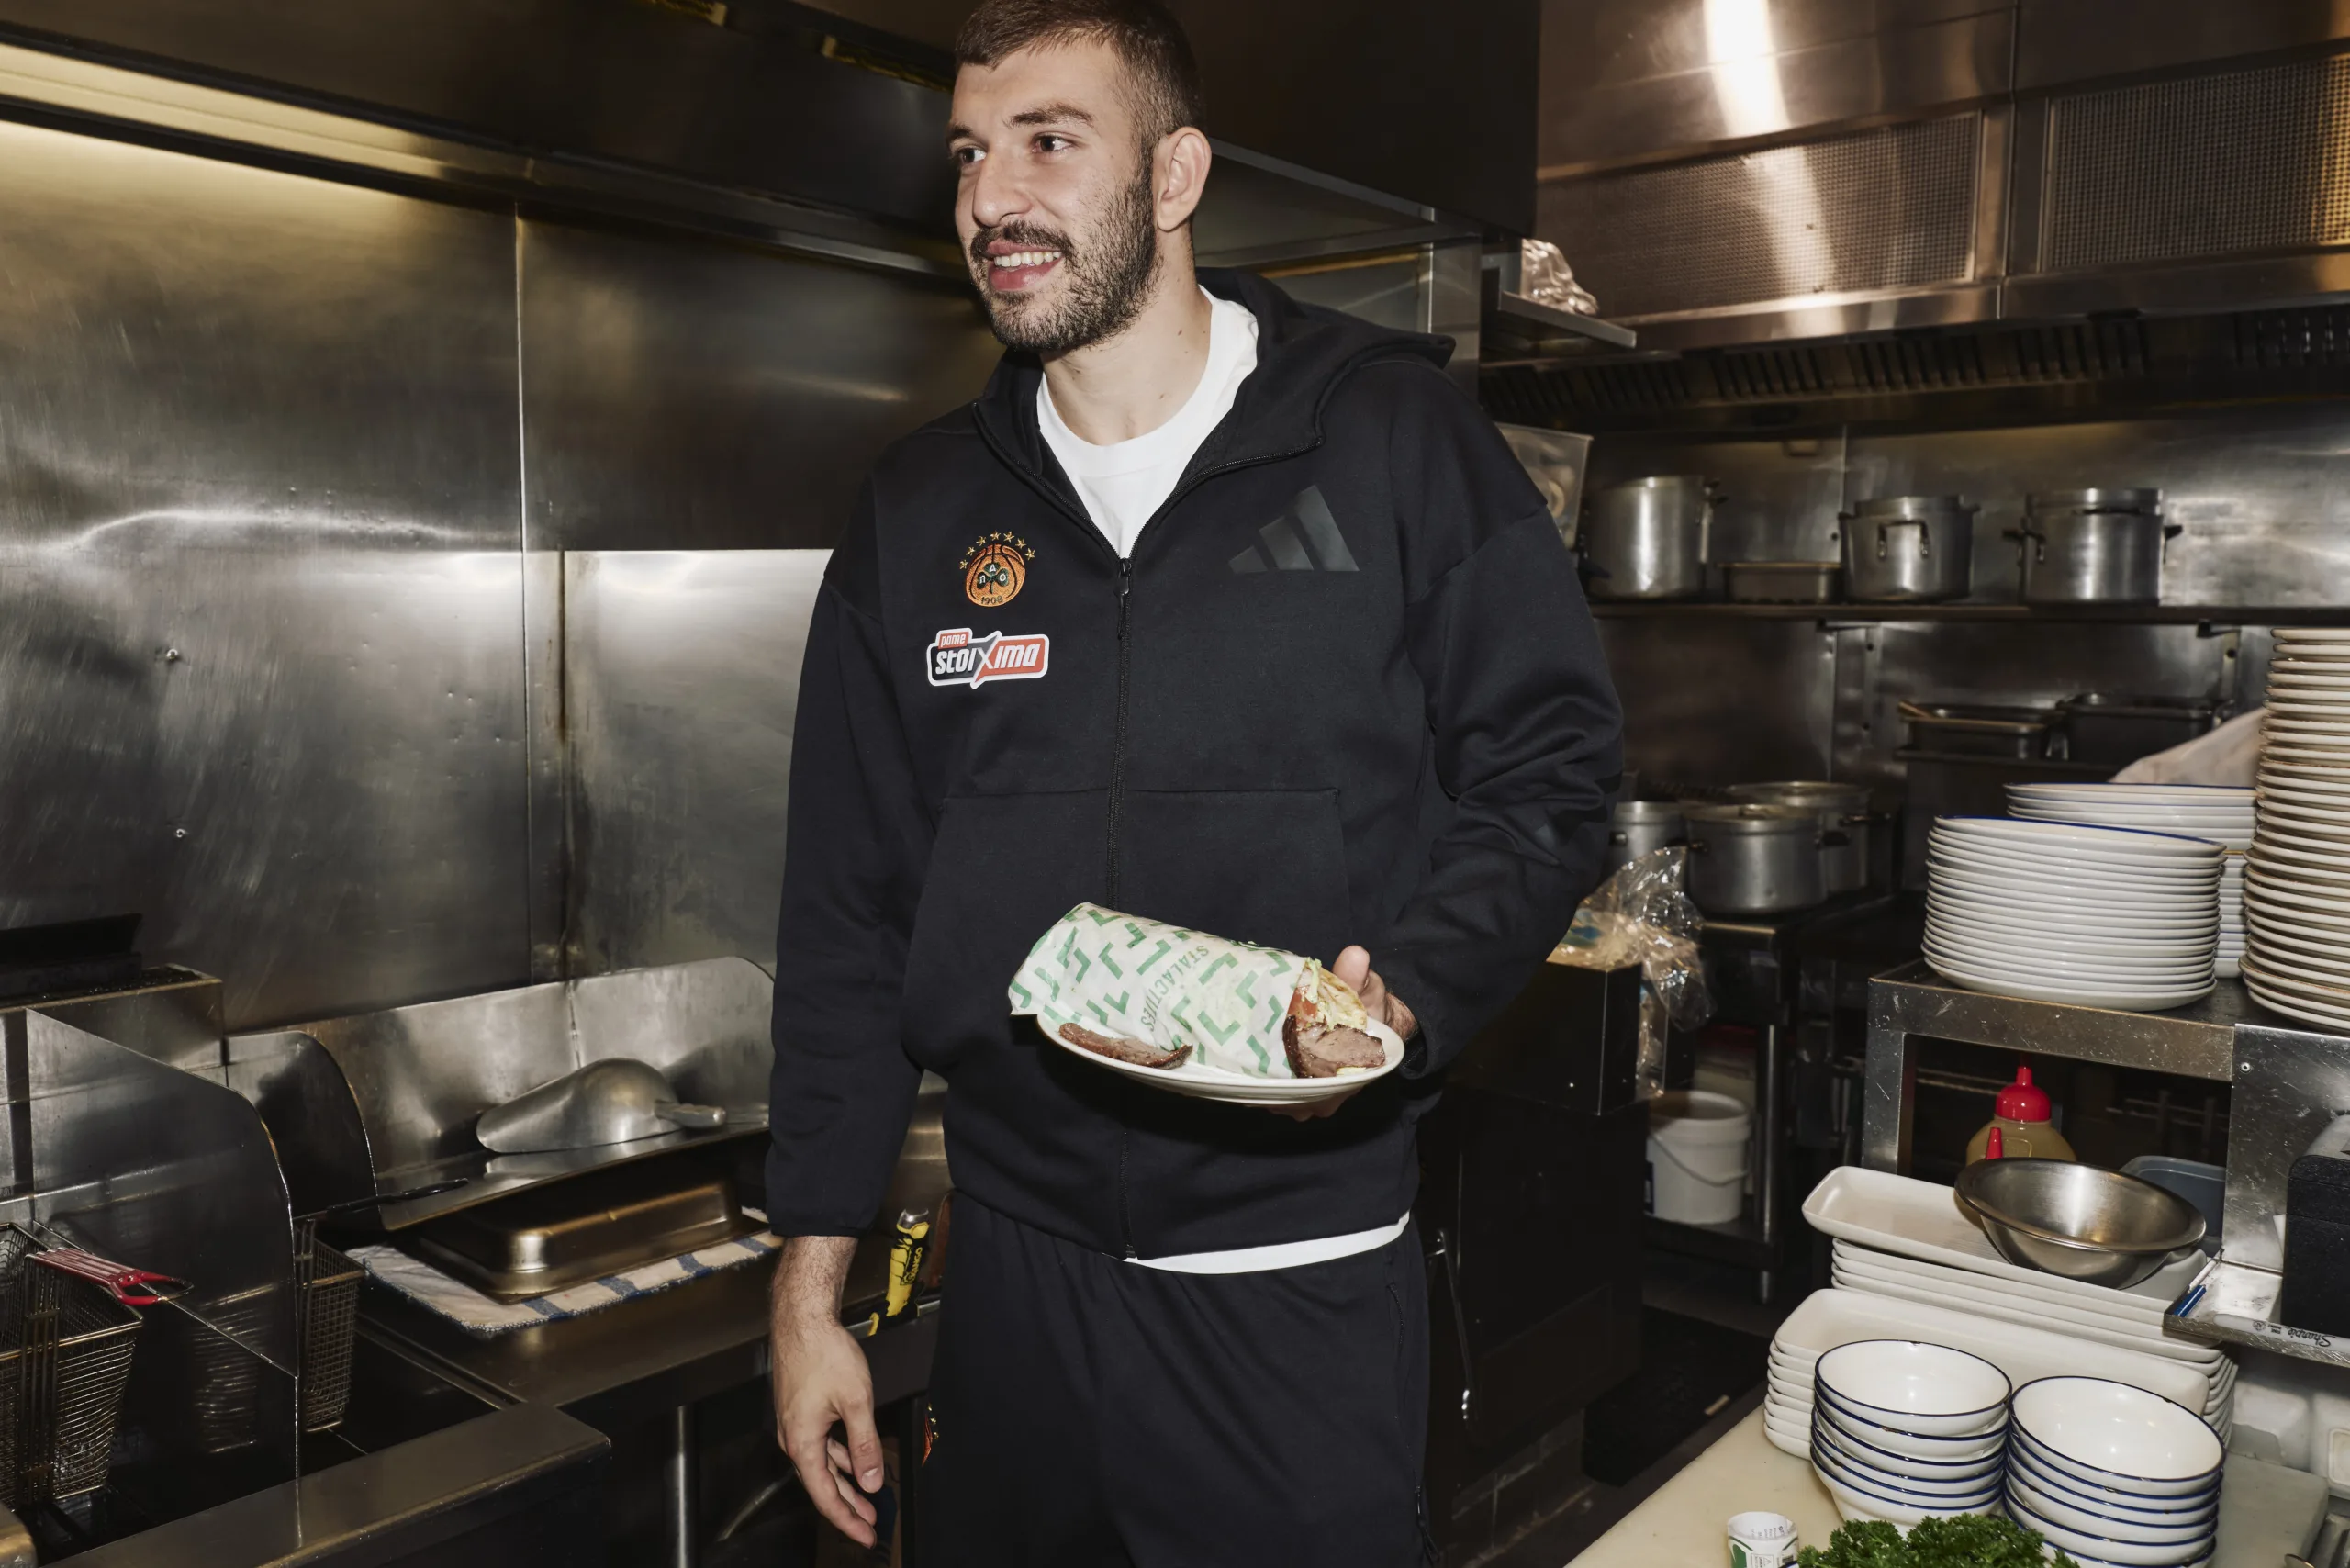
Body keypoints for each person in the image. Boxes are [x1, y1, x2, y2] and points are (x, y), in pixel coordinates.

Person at [764, 1, 1622, 1562]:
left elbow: (1552, 772)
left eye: (1048, 143)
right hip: (1012, 1296)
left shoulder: (1389, 436)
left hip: (1295, 1296)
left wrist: (1411, 989)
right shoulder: (919, 509)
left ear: (1175, 176)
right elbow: (847, 912)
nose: (991, 196)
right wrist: (811, 1287)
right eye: (968, 153)